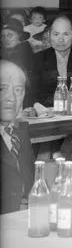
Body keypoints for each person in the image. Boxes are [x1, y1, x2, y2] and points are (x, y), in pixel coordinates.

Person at [0, 60, 34, 213]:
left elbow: (28, 183)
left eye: (18, 90)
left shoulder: (19, 133)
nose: (11, 98)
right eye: (2, 89)